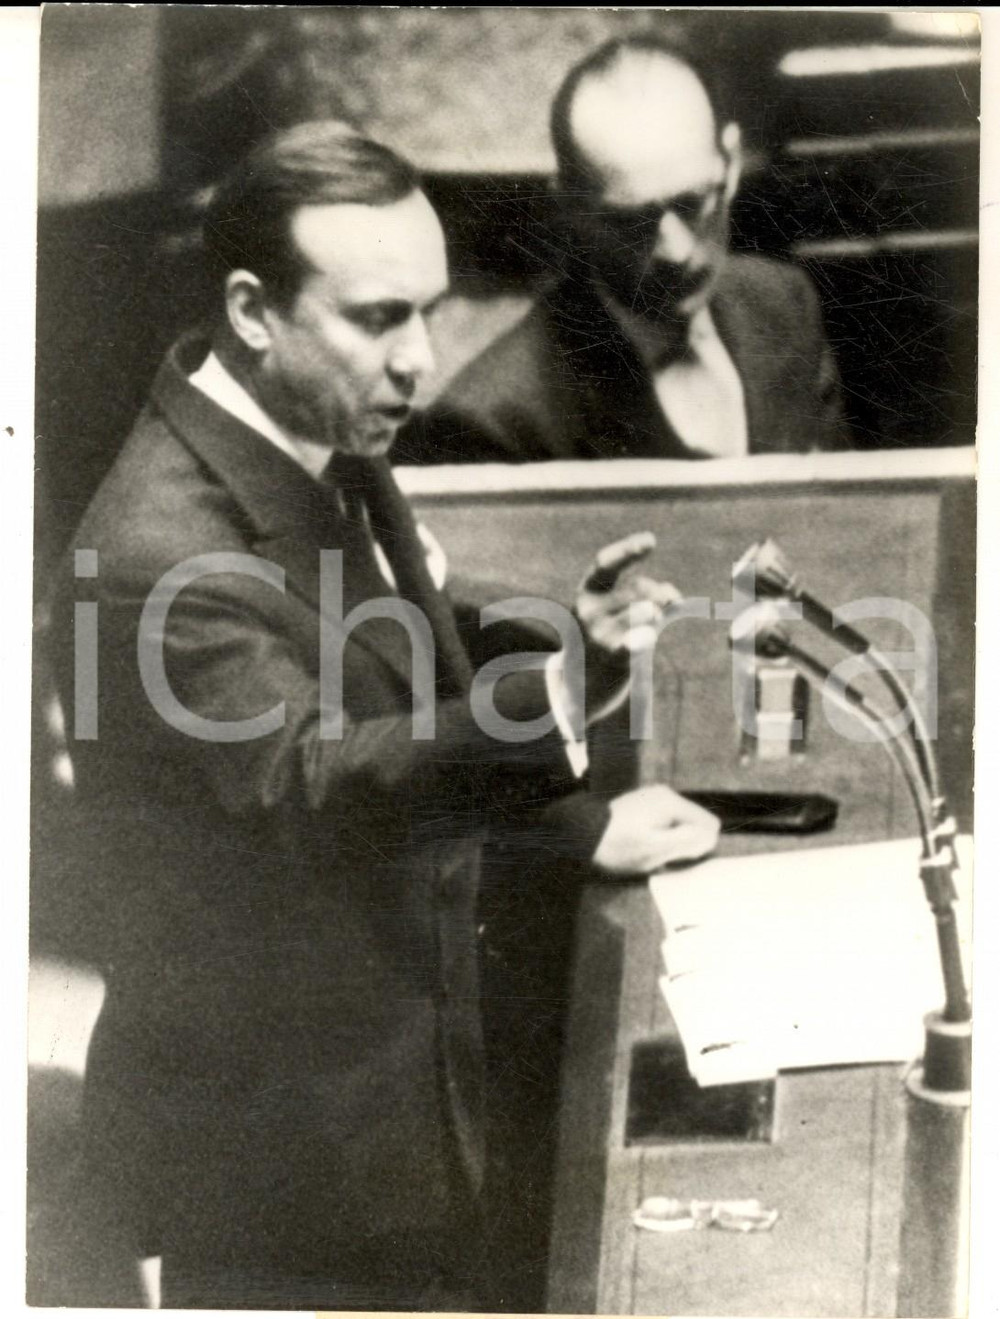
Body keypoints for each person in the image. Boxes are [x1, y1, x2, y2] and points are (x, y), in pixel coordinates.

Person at [48, 120, 720, 1310]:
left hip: (396, 1101)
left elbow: (380, 648)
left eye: (428, 309)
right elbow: (304, 782)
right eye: (377, 318)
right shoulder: (158, 559)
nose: (420, 358)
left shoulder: (300, 425)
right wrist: (536, 717)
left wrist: (570, 636)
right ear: (254, 310)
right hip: (292, 1171)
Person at [400, 34, 846, 464]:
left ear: (729, 165)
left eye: (691, 204)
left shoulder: (784, 306)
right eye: (632, 221)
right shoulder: (497, 418)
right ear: (569, 209)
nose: (675, 251)